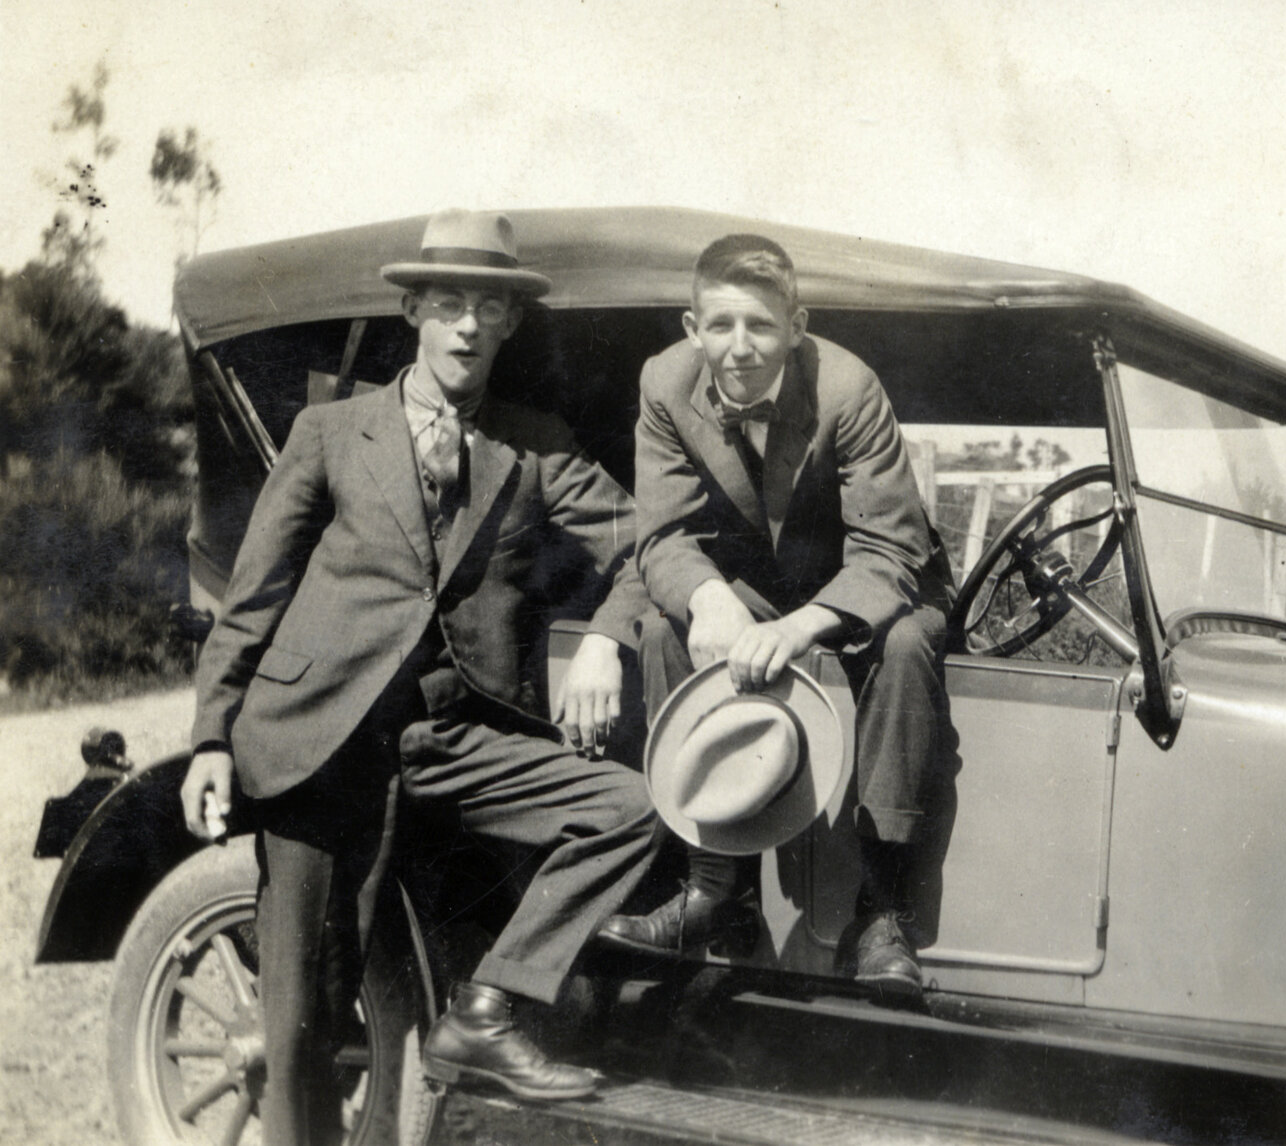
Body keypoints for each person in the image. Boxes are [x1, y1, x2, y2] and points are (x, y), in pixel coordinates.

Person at [179, 209, 661, 1142]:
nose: (469, 326)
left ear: (512, 323)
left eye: (489, 307)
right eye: (450, 303)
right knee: (300, 1030)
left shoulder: (534, 446)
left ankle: (483, 1014)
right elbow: (253, 598)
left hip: (453, 736)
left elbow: (646, 545)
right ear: (413, 309)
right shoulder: (329, 432)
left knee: (627, 811)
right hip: (317, 745)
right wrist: (210, 739)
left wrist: (608, 635)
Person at [597, 233, 953, 994]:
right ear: (691, 330)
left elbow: (892, 550)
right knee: (663, 625)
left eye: (761, 326)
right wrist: (710, 598)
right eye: (720, 326)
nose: (740, 348)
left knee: (911, 642)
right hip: (751, 586)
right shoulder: (664, 382)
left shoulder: (849, 387)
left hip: (865, 581)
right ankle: (712, 889)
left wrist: (798, 628)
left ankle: (881, 910)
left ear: (796, 325)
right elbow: (661, 535)